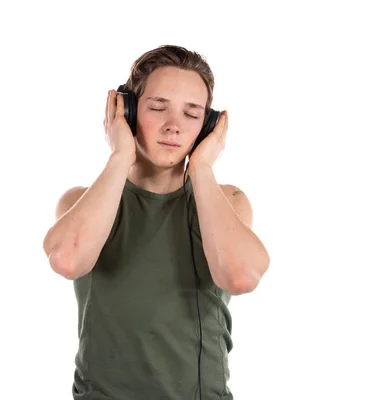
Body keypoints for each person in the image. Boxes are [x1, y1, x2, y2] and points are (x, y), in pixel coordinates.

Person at [42, 44, 270, 400]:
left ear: (208, 126)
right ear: (128, 112)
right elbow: (68, 259)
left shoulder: (228, 202)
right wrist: (120, 155)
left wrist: (202, 169)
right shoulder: (80, 203)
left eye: (192, 114)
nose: (173, 126)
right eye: (157, 107)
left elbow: (240, 276)